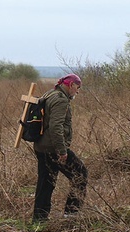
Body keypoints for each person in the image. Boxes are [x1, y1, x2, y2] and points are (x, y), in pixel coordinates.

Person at [32, 73, 88, 222]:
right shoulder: (61, 100)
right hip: (53, 148)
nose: (78, 91)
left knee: (46, 183)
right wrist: (62, 151)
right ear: (71, 85)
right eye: (77, 87)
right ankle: (72, 214)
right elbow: (55, 127)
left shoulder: (50, 93)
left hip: (40, 147)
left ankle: (39, 219)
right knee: (80, 174)